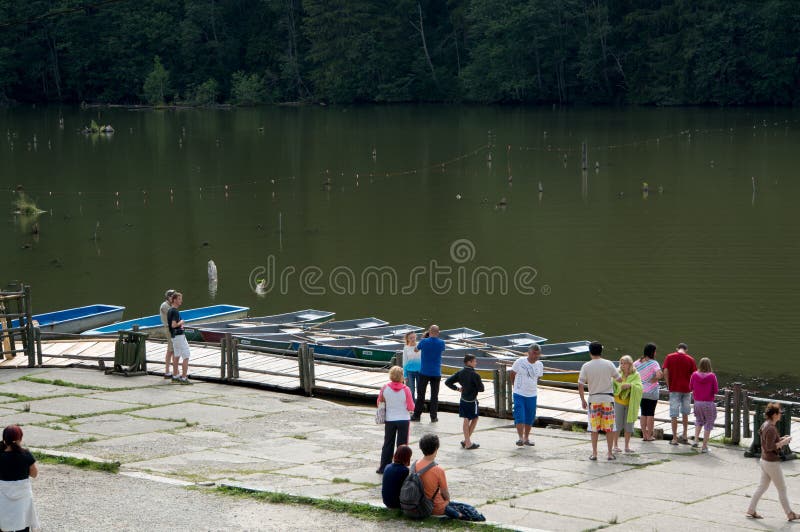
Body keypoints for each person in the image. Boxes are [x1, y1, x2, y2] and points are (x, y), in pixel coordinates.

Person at [746, 403, 799, 521]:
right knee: (782, 488)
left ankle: (751, 509)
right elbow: (770, 447)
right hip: (771, 462)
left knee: (762, 487)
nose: (781, 415)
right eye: (779, 413)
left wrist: (781, 439)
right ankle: (790, 514)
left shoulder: (766, 425)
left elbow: (766, 442)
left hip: (764, 460)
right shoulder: (770, 428)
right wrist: (784, 442)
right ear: (774, 415)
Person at [415, 433, 485, 521]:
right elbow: (445, 493)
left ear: (421, 448)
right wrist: (447, 501)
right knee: (469, 508)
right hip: (436, 508)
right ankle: (459, 515)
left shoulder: (415, 465)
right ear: (436, 448)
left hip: (418, 505)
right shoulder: (438, 470)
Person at [578, 341, 622, 460]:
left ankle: (594, 453)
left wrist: (582, 399)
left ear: (590, 352)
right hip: (608, 399)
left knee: (594, 428)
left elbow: (580, 384)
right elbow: (619, 379)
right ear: (601, 351)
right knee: (609, 428)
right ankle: (609, 453)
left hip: (594, 399)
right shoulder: (609, 364)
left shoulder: (586, 366)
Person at [0, 425, 40, 532]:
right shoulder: (26, 454)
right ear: (20, 438)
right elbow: (34, 474)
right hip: (23, 498)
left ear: (4, 439)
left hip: (3, 498)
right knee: (23, 523)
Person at [377, 366, 415, 474]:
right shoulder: (406, 389)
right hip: (403, 419)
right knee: (402, 445)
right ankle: (401, 467)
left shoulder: (384, 388)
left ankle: (384, 467)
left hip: (390, 419)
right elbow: (411, 407)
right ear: (401, 377)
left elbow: (379, 402)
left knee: (388, 443)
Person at [445, 353, 485, 450]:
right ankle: (467, 442)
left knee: (466, 419)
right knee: (474, 419)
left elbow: (447, 382)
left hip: (463, 399)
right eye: (474, 361)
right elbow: (481, 389)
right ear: (469, 362)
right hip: (472, 400)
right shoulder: (475, 375)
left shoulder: (460, 372)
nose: (476, 363)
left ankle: (466, 441)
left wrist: (457, 389)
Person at [509, 344, 544, 447]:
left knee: (530, 416)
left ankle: (526, 438)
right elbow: (512, 373)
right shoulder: (520, 362)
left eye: (538, 354)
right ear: (529, 353)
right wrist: (514, 385)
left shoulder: (540, 364)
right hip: (519, 393)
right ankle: (520, 438)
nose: (536, 356)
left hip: (532, 394)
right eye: (534, 353)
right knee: (520, 415)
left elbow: (538, 378)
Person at [662, 342, 697, 445]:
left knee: (674, 414)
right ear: (686, 350)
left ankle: (674, 438)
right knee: (685, 413)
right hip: (686, 390)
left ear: (677, 348)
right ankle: (685, 435)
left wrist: (668, 384)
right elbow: (694, 375)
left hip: (674, 389)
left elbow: (665, 371)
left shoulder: (669, 357)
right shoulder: (691, 359)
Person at [411, 325, 445, 423]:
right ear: (438, 333)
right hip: (436, 372)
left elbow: (416, 349)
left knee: (421, 394)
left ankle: (417, 415)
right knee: (434, 395)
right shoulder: (442, 343)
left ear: (429, 332)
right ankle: (433, 417)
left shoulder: (424, 341)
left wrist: (424, 338)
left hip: (424, 372)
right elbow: (442, 350)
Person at [611, 356, 643, 453]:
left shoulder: (636, 374)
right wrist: (621, 387)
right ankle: (615, 445)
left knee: (629, 425)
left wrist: (630, 385)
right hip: (618, 401)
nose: (622, 365)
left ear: (630, 364)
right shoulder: (617, 373)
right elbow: (612, 384)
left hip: (630, 403)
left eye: (624, 363)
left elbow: (640, 387)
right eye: (621, 363)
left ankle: (626, 446)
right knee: (617, 424)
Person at [634, 343, 662, 441]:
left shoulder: (637, 362)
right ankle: (649, 436)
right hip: (652, 392)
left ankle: (644, 435)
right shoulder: (654, 363)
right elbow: (659, 375)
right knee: (650, 413)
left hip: (641, 391)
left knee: (643, 413)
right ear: (652, 352)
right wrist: (654, 379)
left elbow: (632, 373)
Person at [689, 357, 718, 453]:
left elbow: (690, 387)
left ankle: (695, 441)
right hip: (708, 403)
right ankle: (704, 447)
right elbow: (715, 390)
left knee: (699, 421)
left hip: (697, 402)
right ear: (709, 365)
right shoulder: (712, 376)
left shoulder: (694, 375)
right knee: (709, 423)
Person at [168, 292, 191, 384]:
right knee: (186, 355)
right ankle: (184, 378)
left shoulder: (170, 310)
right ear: (174, 300)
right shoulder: (175, 311)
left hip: (174, 336)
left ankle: (175, 375)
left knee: (176, 355)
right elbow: (173, 325)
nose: (181, 301)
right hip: (179, 336)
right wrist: (181, 322)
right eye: (179, 299)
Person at [159, 289, 176, 378]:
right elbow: (173, 317)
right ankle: (167, 371)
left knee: (173, 350)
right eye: (173, 296)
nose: (174, 298)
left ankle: (173, 371)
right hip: (169, 329)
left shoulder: (170, 305)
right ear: (169, 297)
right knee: (171, 350)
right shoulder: (165, 306)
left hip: (172, 329)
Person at [403, 332, 421, 400]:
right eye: (411, 338)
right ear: (407, 339)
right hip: (409, 372)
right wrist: (405, 375)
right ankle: (412, 406)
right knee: (411, 391)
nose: (413, 339)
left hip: (420, 371)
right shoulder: (406, 348)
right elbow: (404, 361)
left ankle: (419, 406)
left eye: (414, 337)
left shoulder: (420, 346)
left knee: (420, 390)